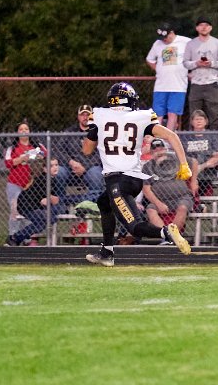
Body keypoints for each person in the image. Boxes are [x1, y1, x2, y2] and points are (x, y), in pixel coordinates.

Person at [81, 82, 193, 267]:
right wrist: (184, 164)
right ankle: (107, 253)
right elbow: (172, 136)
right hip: (134, 179)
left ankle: (166, 233)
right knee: (104, 203)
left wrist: (94, 134)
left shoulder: (100, 115)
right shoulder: (142, 116)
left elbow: (86, 150)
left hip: (117, 180)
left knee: (134, 226)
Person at [4, 159, 67, 247]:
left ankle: (15, 238)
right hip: (27, 207)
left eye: (56, 165)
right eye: (51, 166)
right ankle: (14, 238)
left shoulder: (52, 179)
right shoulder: (44, 179)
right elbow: (45, 200)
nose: (55, 167)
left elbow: (51, 199)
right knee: (48, 219)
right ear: (45, 169)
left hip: (35, 206)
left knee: (46, 221)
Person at [142, 138, 195, 239]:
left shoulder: (176, 160)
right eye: (155, 151)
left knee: (182, 208)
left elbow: (194, 162)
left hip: (181, 197)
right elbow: (146, 190)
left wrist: (193, 181)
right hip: (160, 200)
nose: (159, 153)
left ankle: (172, 237)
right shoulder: (147, 167)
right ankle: (166, 237)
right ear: (151, 153)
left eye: (161, 149)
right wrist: (159, 204)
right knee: (150, 210)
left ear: (165, 149)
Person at [54, 104, 105, 207]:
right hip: (70, 168)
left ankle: (91, 206)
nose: (85, 117)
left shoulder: (98, 132)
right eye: (82, 115)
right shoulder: (69, 132)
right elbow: (58, 150)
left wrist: (84, 166)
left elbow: (101, 153)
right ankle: (60, 205)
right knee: (59, 172)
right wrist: (71, 162)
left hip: (90, 168)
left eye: (88, 115)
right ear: (78, 117)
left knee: (96, 174)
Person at [146, 22, 192, 130]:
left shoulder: (186, 42)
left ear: (171, 32)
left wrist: (191, 71)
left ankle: (168, 136)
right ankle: (156, 136)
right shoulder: (157, 44)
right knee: (158, 113)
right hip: (161, 85)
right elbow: (150, 59)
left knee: (173, 113)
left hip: (178, 85)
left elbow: (196, 55)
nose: (164, 40)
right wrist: (158, 69)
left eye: (166, 37)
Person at [183, 16, 218, 127]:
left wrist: (211, 63)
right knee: (194, 115)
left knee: (214, 115)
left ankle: (214, 138)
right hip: (196, 84)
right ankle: (194, 137)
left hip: (212, 84)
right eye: (201, 25)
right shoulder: (190, 44)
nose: (204, 27)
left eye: (206, 25)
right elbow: (185, 63)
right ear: (197, 28)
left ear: (210, 28)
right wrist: (196, 63)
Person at [4, 122, 47, 236]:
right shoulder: (13, 148)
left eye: (26, 129)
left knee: (29, 210)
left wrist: (38, 156)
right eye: (21, 129)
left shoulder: (37, 146)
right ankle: (13, 235)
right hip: (15, 183)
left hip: (32, 184)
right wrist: (23, 158)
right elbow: (8, 163)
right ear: (17, 132)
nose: (24, 131)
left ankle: (26, 237)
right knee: (15, 210)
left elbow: (46, 155)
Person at [185, 110, 218, 197]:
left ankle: (197, 199)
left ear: (206, 121)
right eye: (196, 119)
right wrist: (210, 153)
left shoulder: (212, 135)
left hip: (207, 171)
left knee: (211, 158)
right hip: (190, 168)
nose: (198, 121)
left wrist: (201, 167)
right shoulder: (186, 136)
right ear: (192, 122)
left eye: (201, 119)